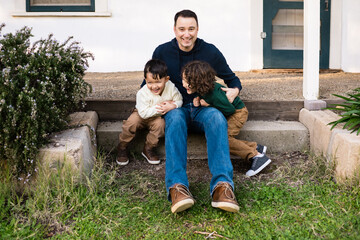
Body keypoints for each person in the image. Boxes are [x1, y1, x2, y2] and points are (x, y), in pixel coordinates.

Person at [144, 9, 242, 213]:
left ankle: (222, 186)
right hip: (176, 108)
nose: (186, 34)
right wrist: (152, 106)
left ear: (197, 29)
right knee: (176, 119)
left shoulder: (210, 51)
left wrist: (234, 91)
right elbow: (148, 82)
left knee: (216, 117)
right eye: (181, 29)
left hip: (202, 108)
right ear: (174, 30)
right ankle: (177, 187)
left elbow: (233, 79)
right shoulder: (162, 51)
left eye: (191, 29)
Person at [182, 60, 272, 177]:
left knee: (223, 140)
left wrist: (209, 105)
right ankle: (256, 147)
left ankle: (256, 156)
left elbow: (229, 110)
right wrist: (198, 99)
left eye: (186, 81)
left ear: (198, 81)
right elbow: (204, 96)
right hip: (233, 112)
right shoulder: (204, 89)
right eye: (183, 79)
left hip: (238, 113)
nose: (183, 84)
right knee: (222, 138)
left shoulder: (215, 94)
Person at [117, 59, 182, 166]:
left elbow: (179, 100)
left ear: (166, 79)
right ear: (145, 80)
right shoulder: (142, 93)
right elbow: (143, 114)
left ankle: (148, 148)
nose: (154, 86)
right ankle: (122, 146)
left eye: (158, 82)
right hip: (141, 114)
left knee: (160, 125)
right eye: (150, 82)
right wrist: (161, 107)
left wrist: (173, 105)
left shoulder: (171, 87)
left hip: (157, 117)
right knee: (131, 123)